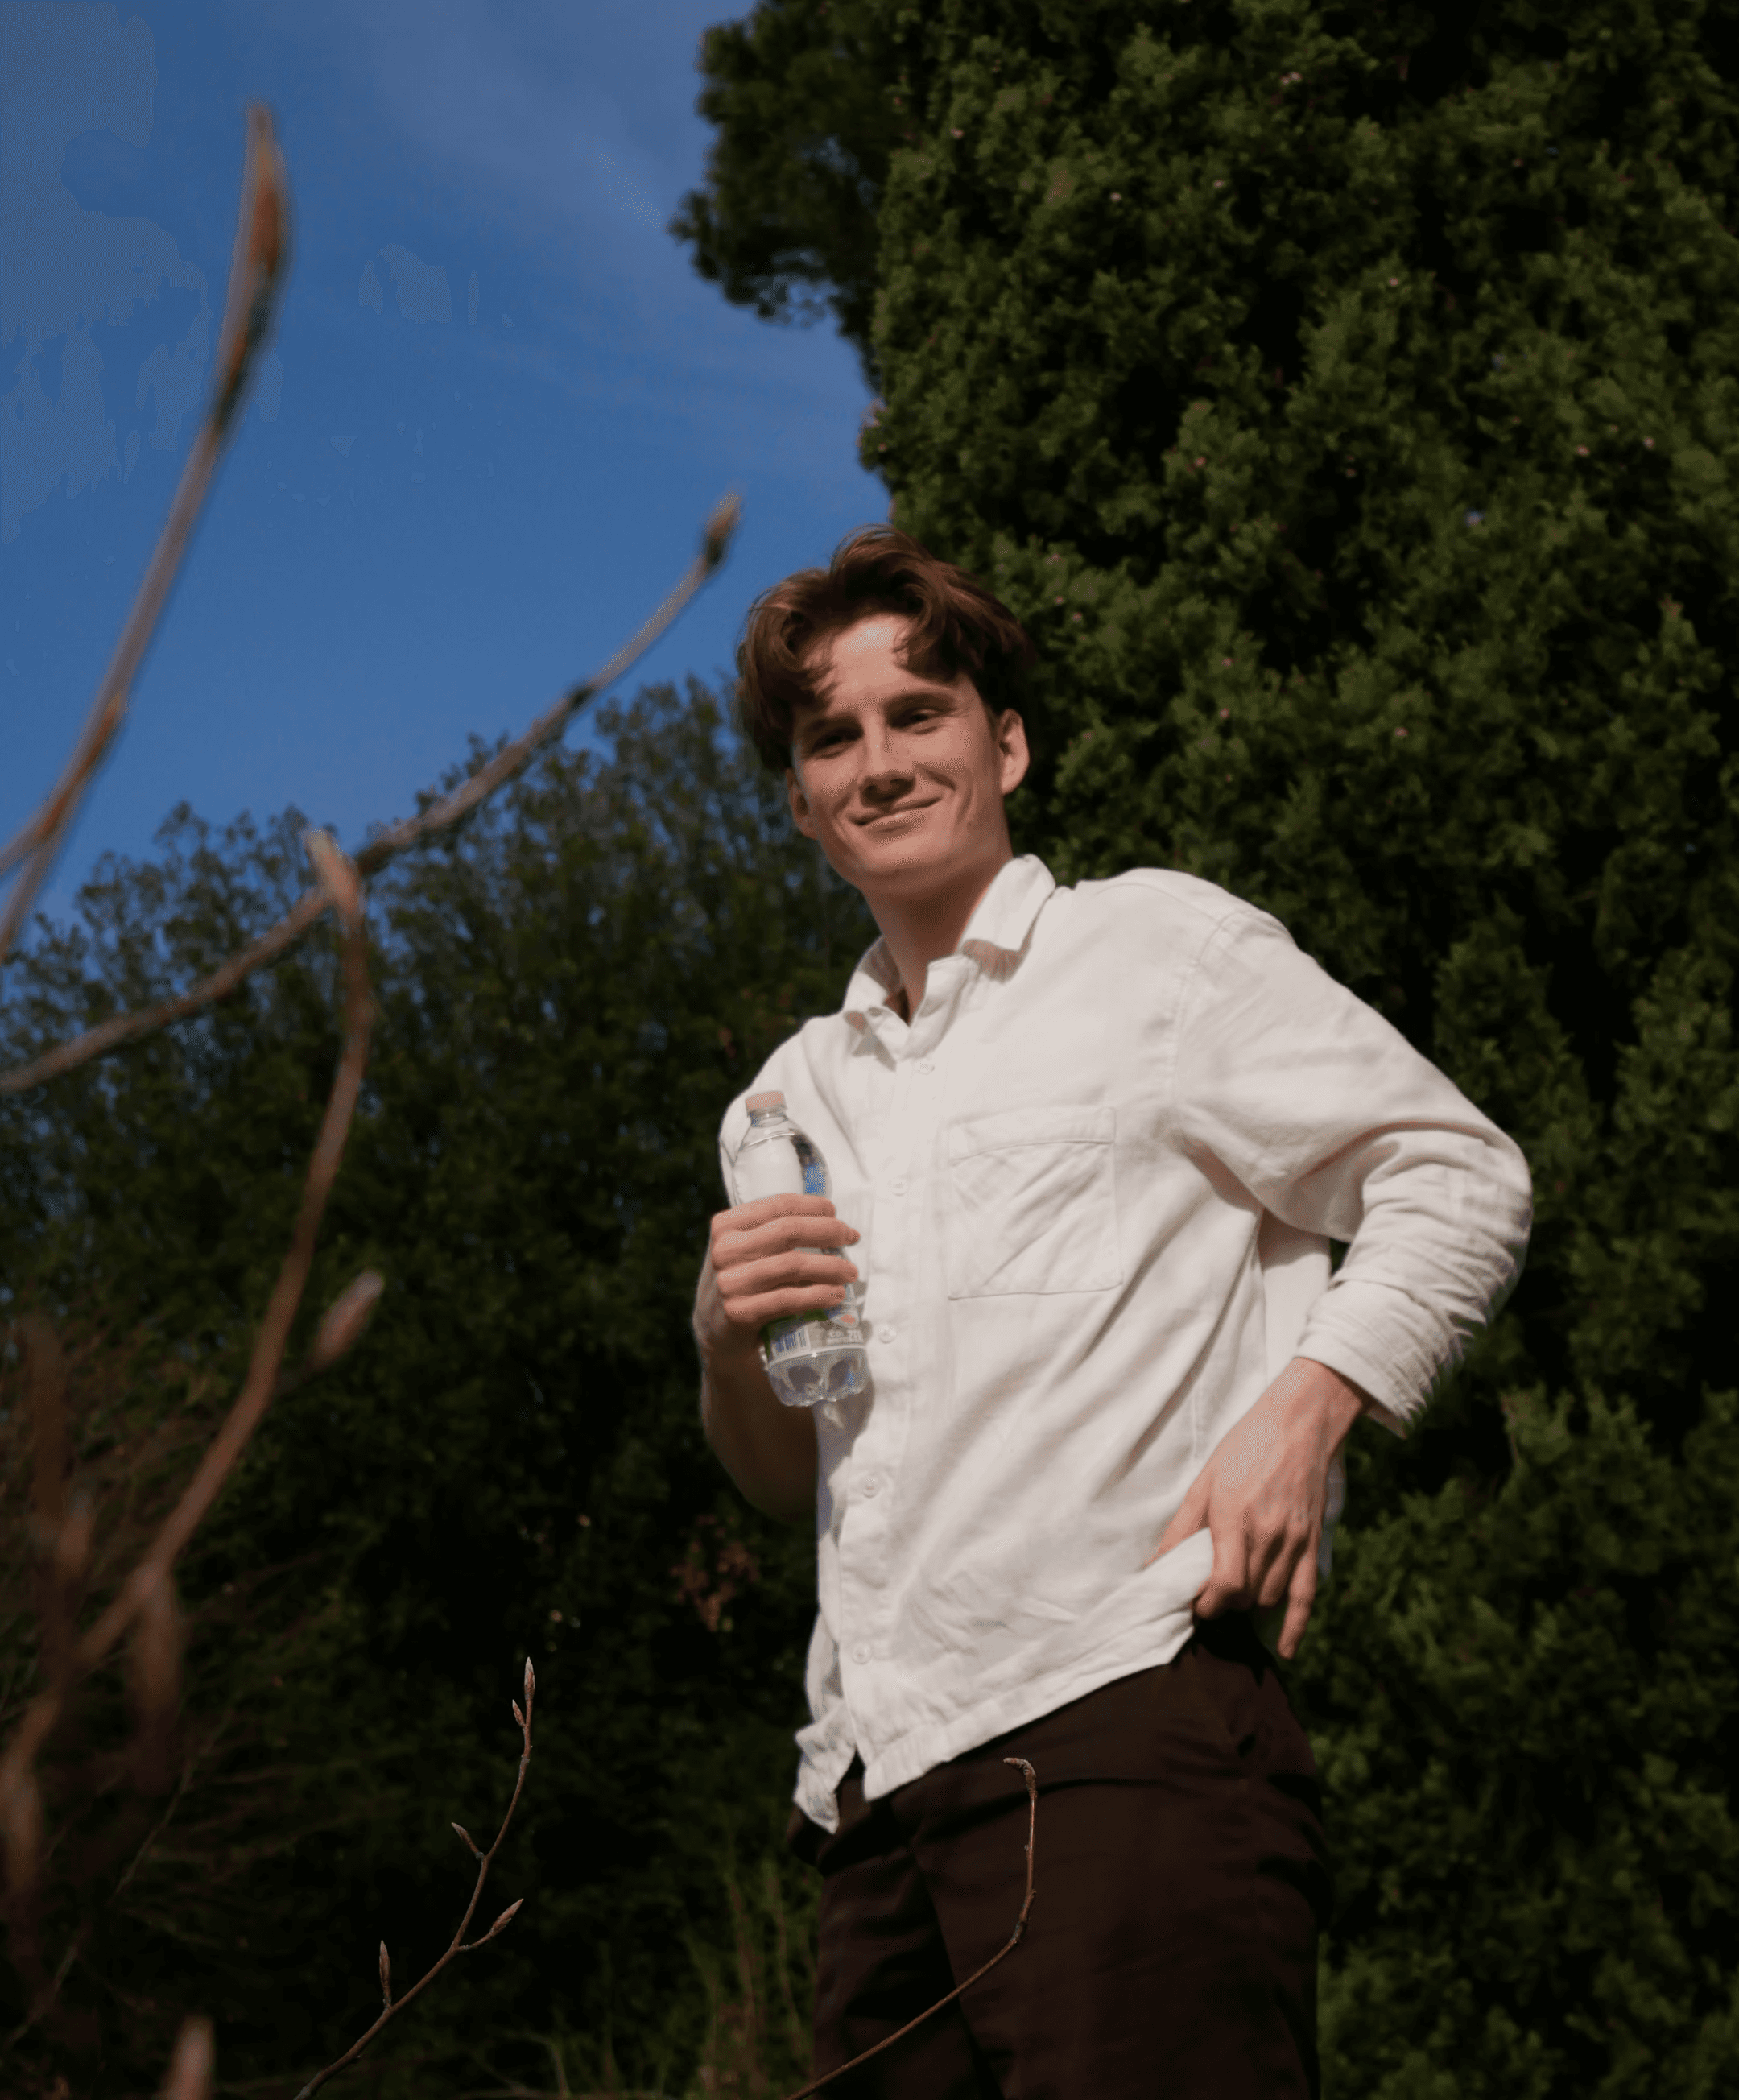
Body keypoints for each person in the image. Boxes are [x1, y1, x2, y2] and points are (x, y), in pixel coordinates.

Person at [691, 527, 1532, 2099]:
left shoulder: (1154, 950)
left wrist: (1305, 1411)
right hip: (871, 1800)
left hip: (1120, 1728)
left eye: (918, 712)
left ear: (1005, 744)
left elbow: (1458, 1171)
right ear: (801, 801)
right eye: (833, 737)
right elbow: (781, 1470)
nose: (881, 761)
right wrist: (727, 1340)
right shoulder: (785, 1102)